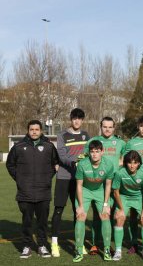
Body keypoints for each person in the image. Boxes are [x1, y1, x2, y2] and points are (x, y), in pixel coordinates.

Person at [6, 120, 59, 258]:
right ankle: (26, 246)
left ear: (41, 131)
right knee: (27, 222)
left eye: (37, 129)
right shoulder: (18, 146)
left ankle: (42, 246)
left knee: (42, 222)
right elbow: (10, 164)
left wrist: (47, 178)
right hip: (25, 192)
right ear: (28, 131)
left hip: (43, 191)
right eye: (31, 129)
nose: (34, 132)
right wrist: (19, 179)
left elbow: (55, 163)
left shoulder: (49, 146)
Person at [50, 108, 89, 257]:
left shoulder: (86, 135)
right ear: (71, 119)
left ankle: (79, 244)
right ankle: (54, 243)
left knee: (78, 211)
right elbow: (62, 155)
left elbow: (89, 153)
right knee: (58, 209)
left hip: (79, 179)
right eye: (74, 118)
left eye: (79, 118)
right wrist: (74, 163)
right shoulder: (62, 135)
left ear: (82, 120)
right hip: (64, 177)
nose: (77, 121)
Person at [84, 116, 126, 255]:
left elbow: (125, 159)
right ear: (100, 127)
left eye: (110, 127)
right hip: (97, 184)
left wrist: (118, 165)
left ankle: (109, 243)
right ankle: (95, 244)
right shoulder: (92, 141)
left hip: (115, 183)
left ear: (114, 128)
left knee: (113, 214)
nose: (107, 129)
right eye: (104, 127)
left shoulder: (120, 143)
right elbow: (85, 160)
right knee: (98, 215)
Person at [72, 140, 114, 262]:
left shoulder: (108, 165)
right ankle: (79, 250)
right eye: (92, 151)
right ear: (89, 153)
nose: (94, 154)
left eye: (97, 151)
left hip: (100, 191)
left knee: (105, 215)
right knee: (80, 215)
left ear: (102, 152)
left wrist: (106, 204)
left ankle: (106, 249)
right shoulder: (82, 164)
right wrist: (80, 205)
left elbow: (108, 185)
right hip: (85, 190)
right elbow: (79, 185)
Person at [112, 151, 143, 261]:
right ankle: (118, 251)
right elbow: (116, 192)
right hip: (124, 197)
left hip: (139, 197)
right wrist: (120, 209)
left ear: (139, 163)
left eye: (135, 162)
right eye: (129, 162)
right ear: (125, 163)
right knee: (120, 218)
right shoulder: (120, 173)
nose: (132, 165)